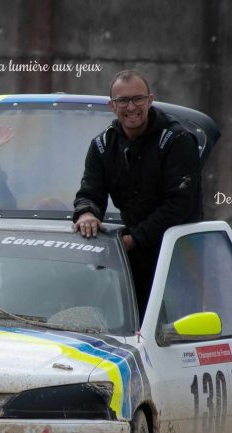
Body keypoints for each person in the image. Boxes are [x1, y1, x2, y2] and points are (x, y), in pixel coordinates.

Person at [73, 70, 202, 318]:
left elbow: (180, 205)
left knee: (177, 330)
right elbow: (89, 191)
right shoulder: (102, 146)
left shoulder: (177, 140)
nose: (131, 107)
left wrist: (134, 239)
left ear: (150, 100)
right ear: (111, 106)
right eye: (123, 101)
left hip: (178, 258)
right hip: (131, 259)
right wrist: (86, 213)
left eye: (137, 99)